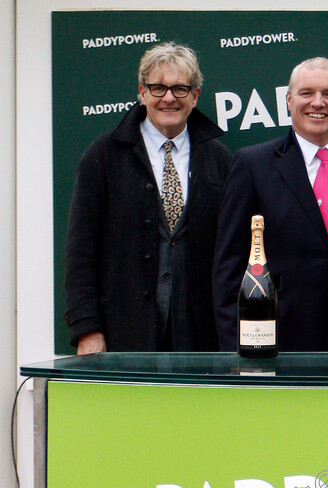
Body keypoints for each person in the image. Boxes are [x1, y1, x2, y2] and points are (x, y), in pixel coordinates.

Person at [213, 57, 328, 351]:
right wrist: (237, 351)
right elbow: (229, 269)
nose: (317, 103)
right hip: (281, 343)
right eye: (306, 93)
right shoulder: (253, 165)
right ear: (288, 100)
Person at [64, 42, 232, 353]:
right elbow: (80, 252)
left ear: (195, 96)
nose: (169, 98)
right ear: (142, 93)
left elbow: (235, 253)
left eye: (180, 88)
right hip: (123, 336)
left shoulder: (220, 160)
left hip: (203, 342)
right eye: (158, 88)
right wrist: (87, 329)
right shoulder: (103, 156)